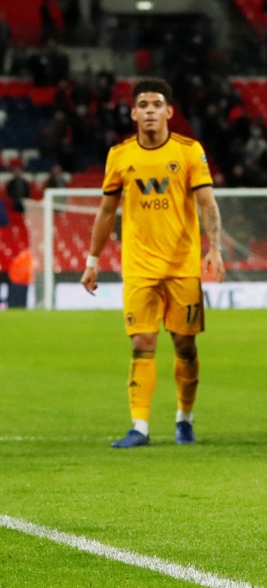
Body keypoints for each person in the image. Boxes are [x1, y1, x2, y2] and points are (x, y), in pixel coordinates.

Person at [81, 79, 224, 448]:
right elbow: (106, 212)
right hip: (139, 267)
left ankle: (184, 419)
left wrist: (215, 249)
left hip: (182, 266)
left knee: (185, 345)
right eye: (142, 105)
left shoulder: (189, 151)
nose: (149, 111)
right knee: (142, 342)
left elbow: (207, 203)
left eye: (156, 104)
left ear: (168, 112)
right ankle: (140, 427)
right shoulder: (120, 155)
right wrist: (92, 261)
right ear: (133, 113)